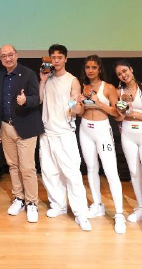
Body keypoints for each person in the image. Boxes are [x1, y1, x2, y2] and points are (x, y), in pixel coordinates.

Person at [39, 44, 91, 232]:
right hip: (47, 131)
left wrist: (76, 104)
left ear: (65, 59)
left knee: (72, 174)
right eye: (53, 57)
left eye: (59, 57)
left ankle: (81, 213)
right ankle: (58, 205)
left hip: (65, 132)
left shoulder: (72, 80)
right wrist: (42, 81)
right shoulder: (47, 78)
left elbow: (77, 109)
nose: (56, 60)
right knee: (49, 172)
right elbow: (40, 100)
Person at [76, 54, 126, 233]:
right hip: (85, 129)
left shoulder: (108, 88)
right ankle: (97, 205)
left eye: (94, 67)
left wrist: (98, 103)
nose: (90, 70)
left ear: (99, 69)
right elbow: (80, 113)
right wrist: (79, 103)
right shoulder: (83, 87)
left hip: (102, 130)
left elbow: (117, 112)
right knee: (91, 168)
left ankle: (119, 214)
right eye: (87, 67)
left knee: (111, 171)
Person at [0, 44, 42, 222]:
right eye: (4, 56)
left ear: (16, 55)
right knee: (13, 166)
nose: (8, 58)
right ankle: (19, 198)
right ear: (0, 59)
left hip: (26, 127)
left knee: (27, 168)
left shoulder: (28, 74)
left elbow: (37, 98)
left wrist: (26, 100)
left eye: (10, 55)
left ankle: (32, 202)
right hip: (6, 127)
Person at [113, 59, 142, 241]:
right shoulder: (119, 92)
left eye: (125, 71)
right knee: (134, 173)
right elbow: (118, 118)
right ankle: (141, 208)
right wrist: (122, 113)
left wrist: (132, 113)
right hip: (128, 135)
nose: (123, 75)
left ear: (131, 70)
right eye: (119, 74)